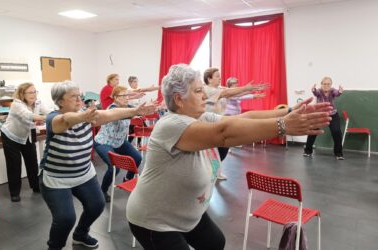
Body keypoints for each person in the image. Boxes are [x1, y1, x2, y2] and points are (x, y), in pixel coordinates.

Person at [126, 64, 332, 250]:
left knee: (215, 243)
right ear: (179, 99)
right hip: (153, 221)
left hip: (186, 214)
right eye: (198, 91)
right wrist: (283, 126)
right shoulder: (170, 125)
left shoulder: (201, 117)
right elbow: (223, 134)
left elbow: (243, 118)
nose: (205, 96)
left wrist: (287, 112)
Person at [40, 81, 156, 250]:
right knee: (66, 218)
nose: (79, 99)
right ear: (60, 101)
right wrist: (83, 116)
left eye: (79, 95)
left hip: (83, 174)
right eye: (73, 96)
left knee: (96, 205)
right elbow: (65, 120)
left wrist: (136, 111)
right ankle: (54, 247)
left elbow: (113, 113)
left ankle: (80, 235)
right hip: (56, 178)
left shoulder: (88, 116)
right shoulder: (53, 118)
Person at [203, 67, 268, 179]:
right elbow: (228, 92)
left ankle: (215, 171)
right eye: (217, 76)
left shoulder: (219, 88)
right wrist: (246, 88)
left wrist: (252, 90)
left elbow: (236, 94)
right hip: (208, 126)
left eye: (220, 76)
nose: (220, 78)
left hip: (219, 123)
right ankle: (211, 172)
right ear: (209, 79)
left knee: (223, 149)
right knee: (213, 152)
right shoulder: (207, 90)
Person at [0, 82, 50, 202]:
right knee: (14, 165)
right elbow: (28, 116)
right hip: (11, 136)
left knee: (32, 161)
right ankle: (14, 193)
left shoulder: (38, 102)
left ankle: (36, 186)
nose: (33, 95)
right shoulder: (16, 104)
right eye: (30, 92)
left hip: (28, 134)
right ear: (22, 94)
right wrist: (46, 118)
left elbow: (48, 111)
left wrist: (56, 114)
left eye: (35, 92)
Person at [94, 85, 143, 202]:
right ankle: (103, 191)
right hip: (103, 142)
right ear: (115, 98)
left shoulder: (129, 107)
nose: (127, 98)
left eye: (127, 95)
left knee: (137, 158)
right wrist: (136, 112)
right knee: (114, 167)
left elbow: (136, 110)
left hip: (119, 142)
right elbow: (123, 114)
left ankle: (127, 179)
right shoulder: (112, 109)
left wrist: (153, 108)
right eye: (123, 96)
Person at [303, 77, 345, 160]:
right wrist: (313, 89)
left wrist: (340, 92)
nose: (326, 85)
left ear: (331, 85)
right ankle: (308, 151)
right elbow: (316, 93)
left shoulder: (333, 91)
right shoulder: (319, 91)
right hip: (320, 114)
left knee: (336, 132)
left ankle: (338, 153)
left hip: (332, 114)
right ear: (321, 85)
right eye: (324, 84)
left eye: (328, 84)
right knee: (313, 131)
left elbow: (337, 93)